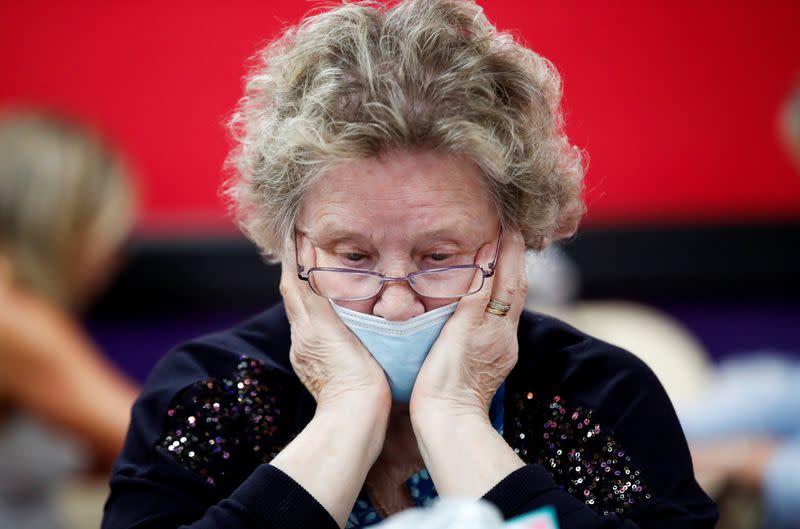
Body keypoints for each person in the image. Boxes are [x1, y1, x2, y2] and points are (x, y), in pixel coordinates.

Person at [102, 1, 717, 528]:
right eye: (353, 256)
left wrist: (455, 416)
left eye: (438, 256)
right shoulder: (205, 393)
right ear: (293, 247)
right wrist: (345, 410)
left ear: (511, 244)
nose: (395, 304)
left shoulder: (603, 395)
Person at [0, 109, 139, 529]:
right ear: (67, 227)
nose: (113, 263)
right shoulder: (12, 320)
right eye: (112, 238)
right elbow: (156, 441)